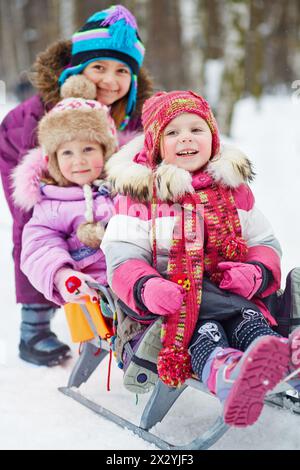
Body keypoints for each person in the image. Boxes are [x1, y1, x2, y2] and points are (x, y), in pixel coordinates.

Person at [101, 90, 300, 427]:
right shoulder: (141, 195)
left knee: (249, 321)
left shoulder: (232, 189)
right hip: (170, 308)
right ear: (154, 143)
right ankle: (227, 373)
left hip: (232, 295)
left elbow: (263, 242)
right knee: (205, 329)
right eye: (173, 132)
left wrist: (255, 272)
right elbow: (121, 258)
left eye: (197, 129)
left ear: (213, 137)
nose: (186, 139)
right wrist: (147, 286)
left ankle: (279, 359)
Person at [0, 4, 153, 366]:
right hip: (25, 159)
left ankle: (120, 310)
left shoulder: (133, 114)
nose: (110, 80)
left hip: (96, 171)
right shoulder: (42, 113)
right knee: (40, 226)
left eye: (122, 71)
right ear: (78, 70)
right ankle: (33, 327)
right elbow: (36, 203)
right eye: (99, 67)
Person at [11, 89, 118, 365]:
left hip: (141, 278)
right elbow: (39, 247)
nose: (78, 160)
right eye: (67, 153)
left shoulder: (121, 190)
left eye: (88, 149)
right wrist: (62, 275)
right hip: (96, 296)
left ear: (106, 151)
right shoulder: (53, 205)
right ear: (53, 161)